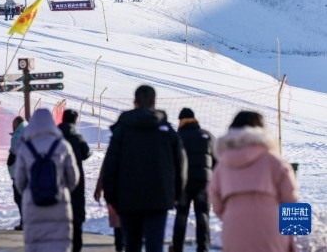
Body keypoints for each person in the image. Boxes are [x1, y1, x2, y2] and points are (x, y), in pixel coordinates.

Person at [103, 85, 187, 252]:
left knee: (132, 245)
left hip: (127, 198)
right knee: (154, 246)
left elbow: (111, 165)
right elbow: (181, 164)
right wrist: (176, 195)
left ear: (135, 102)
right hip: (159, 198)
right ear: (154, 102)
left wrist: (111, 197)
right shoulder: (167, 131)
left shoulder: (122, 130)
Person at [208, 111, 298, 252]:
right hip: (271, 224)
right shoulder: (274, 161)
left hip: (234, 225)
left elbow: (216, 202)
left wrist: (233, 213)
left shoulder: (222, 165)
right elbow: (290, 199)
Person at [15, 108, 79, 252]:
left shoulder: (25, 147)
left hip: (33, 204)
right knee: (60, 244)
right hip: (59, 203)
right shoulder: (62, 146)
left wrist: (29, 192)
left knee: (36, 245)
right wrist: (62, 189)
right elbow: (73, 178)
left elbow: (19, 181)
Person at [171, 108, 216, 252]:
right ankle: (203, 248)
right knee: (203, 215)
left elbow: (172, 161)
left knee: (181, 215)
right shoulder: (208, 136)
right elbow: (216, 162)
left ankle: (177, 247)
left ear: (183, 120)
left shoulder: (178, 136)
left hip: (184, 183)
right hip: (204, 183)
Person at [58, 109, 91, 252]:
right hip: (76, 180)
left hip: (58, 182)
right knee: (76, 219)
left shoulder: (55, 137)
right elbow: (86, 153)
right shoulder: (77, 137)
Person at [94, 160, 124, 252]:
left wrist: (99, 187)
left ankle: (119, 245)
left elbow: (105, 168)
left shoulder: (116, 148)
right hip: (129, 194)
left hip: (117, 193)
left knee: (119, 224)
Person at [7, 116, 27, 231]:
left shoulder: (18, 134)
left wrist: (10, 160)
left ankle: (25, 222)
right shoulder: (28, 131)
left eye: (13, 123)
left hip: (19, 172)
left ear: (17, 124)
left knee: (19, 198)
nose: (12, 126)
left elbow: (14, 150)